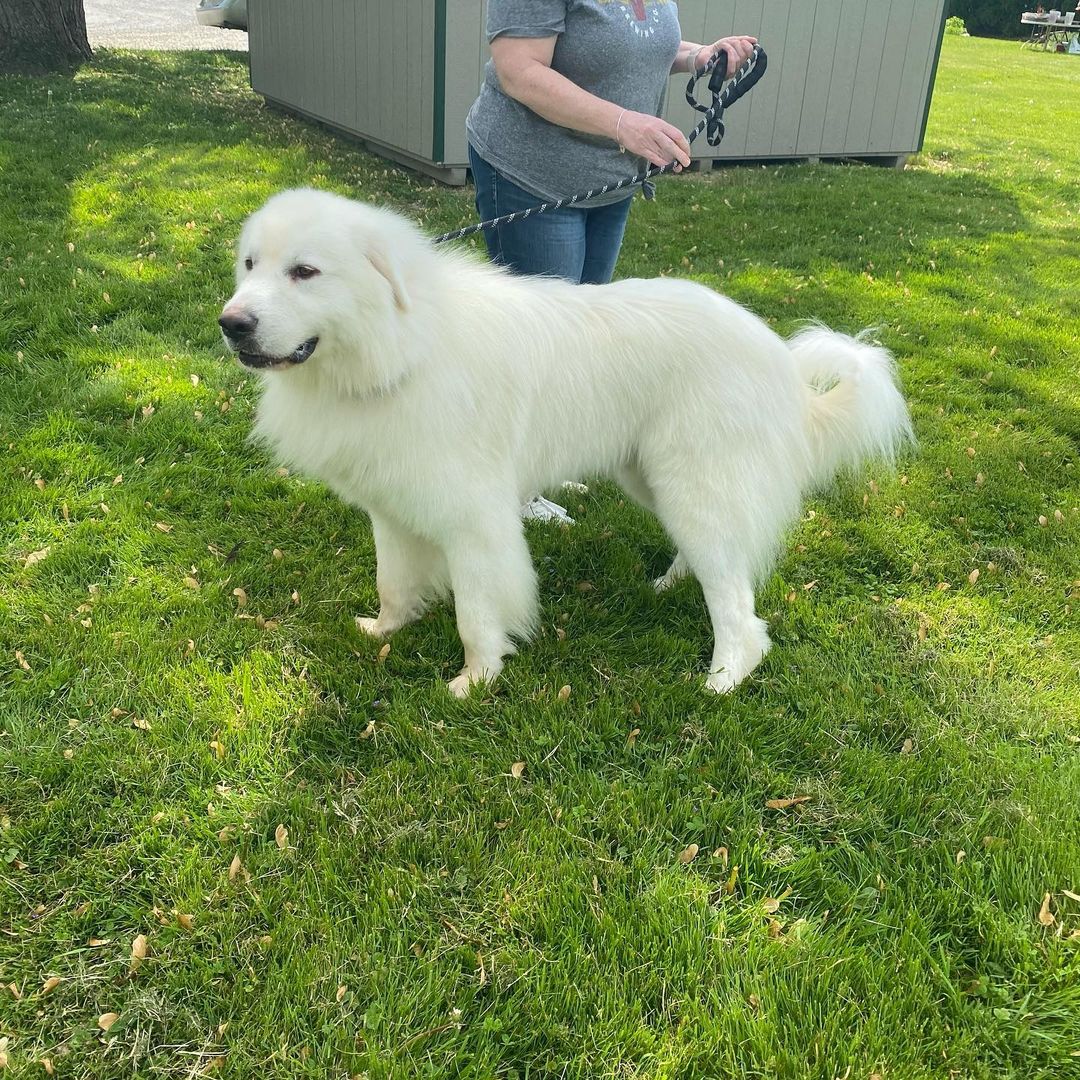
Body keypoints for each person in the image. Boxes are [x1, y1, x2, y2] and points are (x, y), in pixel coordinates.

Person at [465, 0, 756, 521]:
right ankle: (511, 486)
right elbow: (519, 70)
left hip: (607, 182)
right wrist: (623, 124)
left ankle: (549, 455)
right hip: (533, 175)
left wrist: (699, 57)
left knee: (582, 344)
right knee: (537, 348)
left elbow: (631, 51)